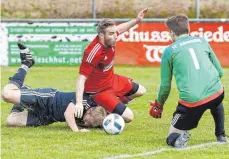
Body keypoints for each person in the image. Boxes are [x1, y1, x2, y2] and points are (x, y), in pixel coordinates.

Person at [149, 14, 227, 148]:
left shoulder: (169, 51)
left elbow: (165, 85)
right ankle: (221, 135)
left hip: (191, 102)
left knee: (171, 138)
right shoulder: (202, 41)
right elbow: (220, 71)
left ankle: (181, 136)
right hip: (217, 93)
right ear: (188, 29)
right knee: (216, 98)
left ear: (172, 32)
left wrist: (158, 105)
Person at [2, 43, 107, 132]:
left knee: (10, 121)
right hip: (47, 99)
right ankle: (26, 63)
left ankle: (23, 90)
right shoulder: (86, 101)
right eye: (88, 121)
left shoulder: (93, 116)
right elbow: (68, 113)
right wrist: (77, 131)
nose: (85, 123)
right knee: (6, 94)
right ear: (89, 111)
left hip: (48, 117)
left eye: (89, 125)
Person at [74, 8, 148, 122]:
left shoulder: (110, 39)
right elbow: (81, 78)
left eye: (115, 33)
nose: (116, 36)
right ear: (101, 35)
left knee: (141, 90)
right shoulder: (93, 52)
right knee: (129, 117)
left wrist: (137, 20)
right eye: (112, 34)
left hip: (112, 80)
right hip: (99, 91)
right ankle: (101, 110)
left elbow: (121, 28)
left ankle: (109, 108)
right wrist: (79, 103)